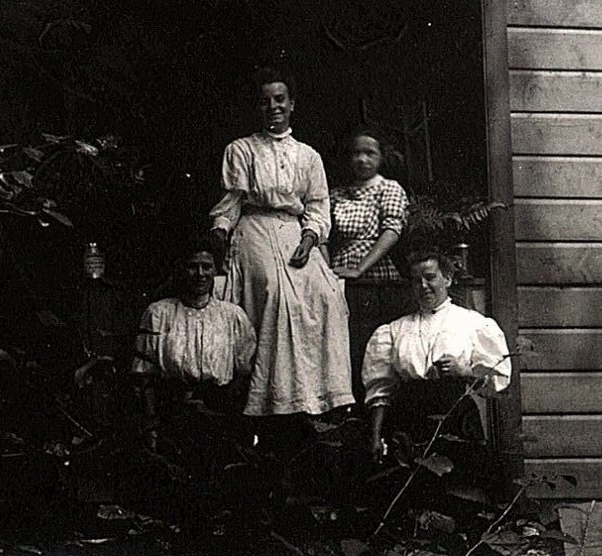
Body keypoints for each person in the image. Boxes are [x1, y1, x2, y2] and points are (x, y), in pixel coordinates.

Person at [209, 69, 356, 418]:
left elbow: (318, 207)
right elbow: (231, 203)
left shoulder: (308, 156)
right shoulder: (241, 149)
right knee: (276, 294)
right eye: (266, 102)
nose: (274, 107)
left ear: (292, 105)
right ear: (258, 108)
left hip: (295, 230)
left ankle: (317, 398)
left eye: (280, 100)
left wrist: (309, 239)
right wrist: (220, 229)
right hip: (255, 228)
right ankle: (271, 399)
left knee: (327, 296)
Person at [361, 248, 511, 461]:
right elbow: (381, 392)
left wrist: (464, 370)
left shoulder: (472, 323)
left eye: (430, 277)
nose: (423, 286)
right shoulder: (394, 330)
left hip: (454, 416)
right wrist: (375, 437)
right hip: (408, 418)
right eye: (416, 280)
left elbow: (498, 381)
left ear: (447, 279)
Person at [131, 235, 257, 414]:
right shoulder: (159, 314)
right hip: (173, 416)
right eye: (192, 266)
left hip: (219, 417)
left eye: (206, 267)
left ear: (215, 270)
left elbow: (246, 373)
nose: (200, 274)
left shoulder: (232, 316)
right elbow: (144, 376)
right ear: (181, 269)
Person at [328, 128, 410, 283]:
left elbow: (391, 232)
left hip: (374, 269)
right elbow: (324, 235)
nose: (362, 159)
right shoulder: (337, 195)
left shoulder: (388, 188)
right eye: (356, 153)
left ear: (381, 157)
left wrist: (359, 269)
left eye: (370, 153)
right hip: (340, 268)